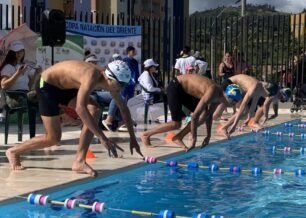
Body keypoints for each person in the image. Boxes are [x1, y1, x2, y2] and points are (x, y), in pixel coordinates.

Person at [5, 60, 143, 176]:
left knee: (94, 109)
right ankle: (13, 151)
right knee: (53, 138)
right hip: (47, 85)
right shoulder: (91, 76)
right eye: (121, 84)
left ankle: (79, 161)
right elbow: (80, 108)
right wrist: (102, 138)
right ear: (109, 78)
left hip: (66, 87)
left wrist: (133, 138)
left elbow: (124, 109)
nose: (122, 88)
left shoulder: (112, 84)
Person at [140, 74, 242, 151]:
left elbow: (209, 115)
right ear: (228, 96)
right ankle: (146, 135)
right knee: (176, 123)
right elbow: (194, 117)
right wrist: (194, 139)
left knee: (203, 116)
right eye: (234, 102)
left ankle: (178, 137)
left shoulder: (219, 97)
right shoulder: (213, 91)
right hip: (176, 85)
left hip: (186, 91)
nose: (234, 105)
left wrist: (208, 135)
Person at [0, 40, 41, 138]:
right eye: (16, 52)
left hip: (24, 95)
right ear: (12, 53)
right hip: (13, 98)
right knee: (39, 96)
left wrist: (36, 74)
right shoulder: (8, 67)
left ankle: (50, 132)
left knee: (43, 96)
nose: (19, 54)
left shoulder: (23, 67)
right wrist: (17, 74)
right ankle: (35, 137)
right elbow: (4, 85)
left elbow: (28, 87)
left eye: (21, 51)